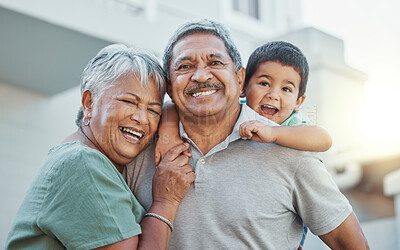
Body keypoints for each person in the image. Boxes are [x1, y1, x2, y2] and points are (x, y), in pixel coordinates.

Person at [125, 20, 369, 249]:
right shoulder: (138, 148)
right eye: (185, 66)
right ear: (169, 86)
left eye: (215, 63)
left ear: (240, 78)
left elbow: (349, 243)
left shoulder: (289, 147)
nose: (200, 76)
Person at [5, 44, 195, 250]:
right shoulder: (82, 163)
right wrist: (166, 202)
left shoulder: (84, 157)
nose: (141, 118)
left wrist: (168, 125)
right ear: (88, 103)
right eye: (129, 102)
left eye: (153, 110)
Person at [155, 40, 330, 248]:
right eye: (264, 83)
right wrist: (168, 134)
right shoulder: (233, 108)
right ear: (243, 86)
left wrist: (275, 133)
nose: (274, 95)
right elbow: (170, 105)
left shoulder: (293, 122)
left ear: (299, 101)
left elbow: (324, 139)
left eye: (286, 89)